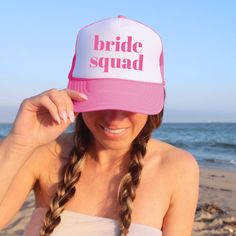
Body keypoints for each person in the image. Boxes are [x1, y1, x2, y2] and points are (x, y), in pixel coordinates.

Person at [0, 16, 199, 236]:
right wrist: (18, 143)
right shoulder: (45, 153)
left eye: (130, 103)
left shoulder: (177, 168)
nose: (114, 119)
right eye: (103, 101)